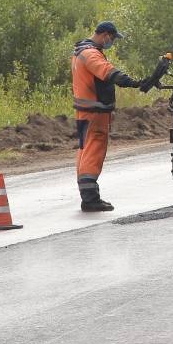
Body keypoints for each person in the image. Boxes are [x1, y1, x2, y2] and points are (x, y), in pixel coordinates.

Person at [72, 21, 147, 212]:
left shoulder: (80, 52)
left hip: (83, 112)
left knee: (83, 151)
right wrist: (132, 82)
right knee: (93, 153)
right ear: (105, 34)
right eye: (112, 38)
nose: (112, 42)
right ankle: (90, 199)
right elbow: (107, 72)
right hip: (95, 114)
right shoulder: (90, 54)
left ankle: (88, 195)